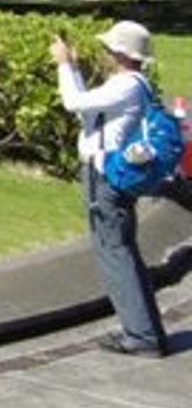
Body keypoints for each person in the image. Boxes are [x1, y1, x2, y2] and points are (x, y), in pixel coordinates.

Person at [51, 19, 168, 357]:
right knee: (121, 249)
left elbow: (74, 103)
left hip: (105, 177)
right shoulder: (134, 84)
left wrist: (62, 65)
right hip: (113, 174)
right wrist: (71, 67)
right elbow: (88, 108)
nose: (103, 55)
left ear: (119, 53)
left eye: (108, 49)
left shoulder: (125, 86)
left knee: (115, 252)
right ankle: (144, 330)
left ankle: (141, 335)